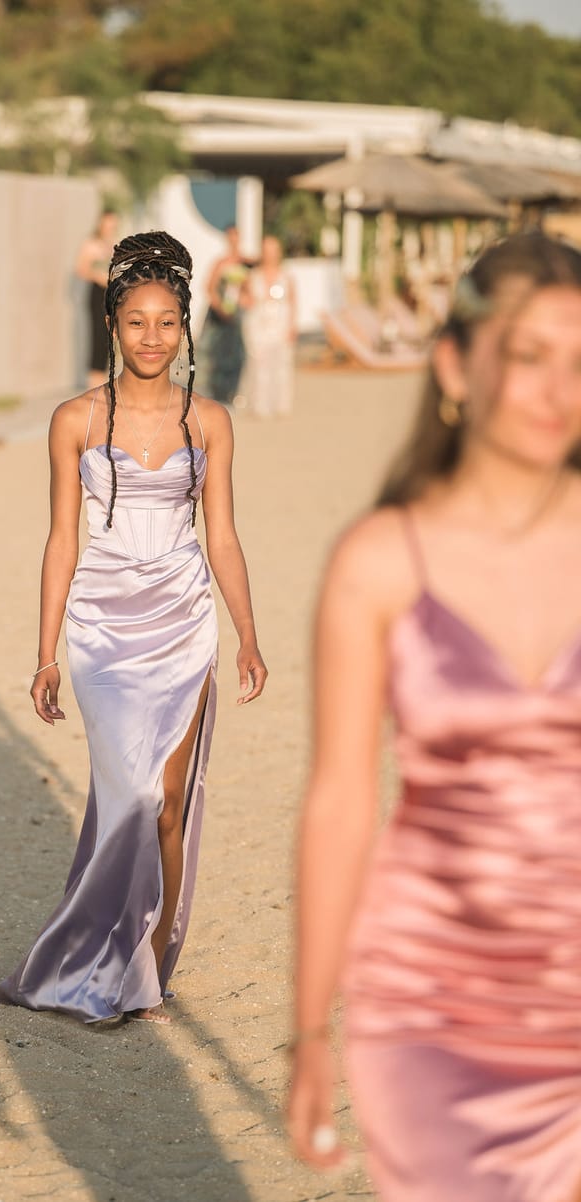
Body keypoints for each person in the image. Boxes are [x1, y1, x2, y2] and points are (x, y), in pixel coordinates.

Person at [288, 231, 581, 1199]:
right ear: (454, 364)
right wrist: (309, 1028)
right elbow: (339, 802)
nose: (555, 390)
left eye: (579, 362)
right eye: (527, 356)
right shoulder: (376, 561)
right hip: (430, 1008)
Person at [0, 231, 267, 1025]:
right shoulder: (73, 420)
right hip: (103, 629)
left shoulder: (209, 421)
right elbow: (60, 539)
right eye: (137, 321)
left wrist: (245, 632)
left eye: (168, 321)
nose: (153, 336)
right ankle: (88, 952)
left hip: (184, 620)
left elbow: (223, 538)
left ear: (187, 326)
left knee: (171, 801)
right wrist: (44, 652)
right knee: (130, 794)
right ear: (113, 323)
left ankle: (148, 964)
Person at [242, 235, 297, 418]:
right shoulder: (252, 275)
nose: (270, 255)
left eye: (273, 250)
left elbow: (294, 301)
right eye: (266, 250)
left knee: (282, 364)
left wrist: (292, 326)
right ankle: (259, 404)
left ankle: (280, 404)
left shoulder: (286, 276)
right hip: (258, 323)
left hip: (280, 322)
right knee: (259, 363)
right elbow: (244, 296)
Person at [198, 225, 251, 406]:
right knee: (216, 354)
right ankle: (216, 393)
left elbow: (250, 291)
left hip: (237, 315)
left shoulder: (245, 262)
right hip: (220, 315)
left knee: (237, 354)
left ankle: (232, 391)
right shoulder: (221, 263)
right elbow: (209, 287)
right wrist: (220, 307)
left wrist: (245, 300)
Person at [74, 209, 119, 388]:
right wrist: (98, 276)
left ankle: (104, 382)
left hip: (111, 295)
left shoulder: (114, 244)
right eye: (108, 223)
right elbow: (81, 269)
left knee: (109, 337)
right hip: (97, 293)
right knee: (98, 338)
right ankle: (93, 384)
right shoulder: (91, 244)